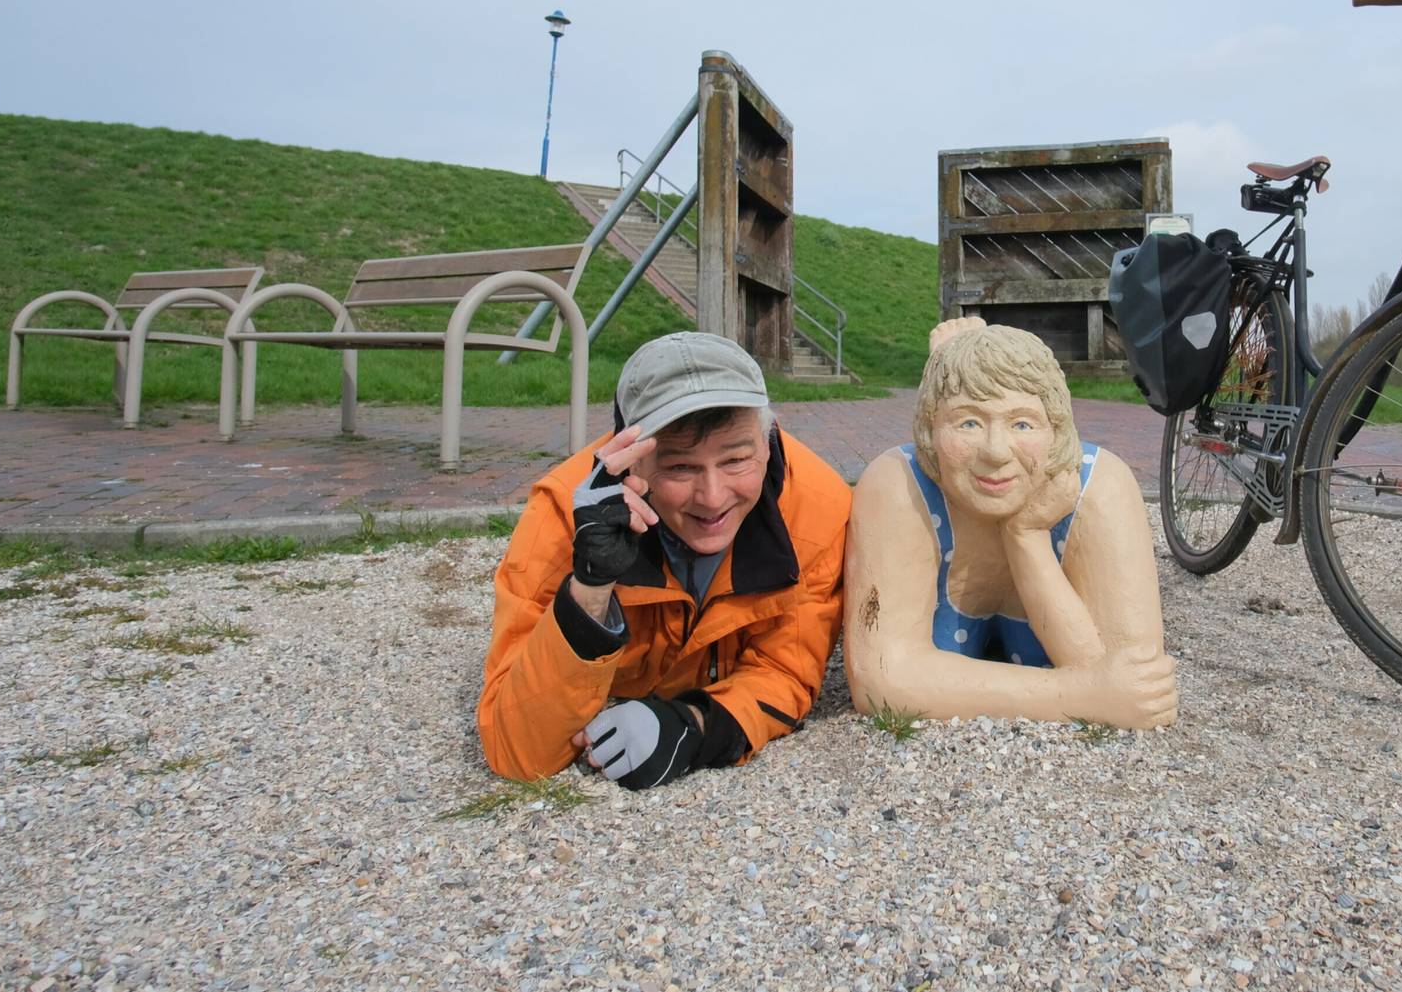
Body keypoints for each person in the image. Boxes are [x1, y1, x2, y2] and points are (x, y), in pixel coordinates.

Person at [478, 331, 851, 788]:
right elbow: (516, 750)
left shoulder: (819, 508)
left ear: (768, 443)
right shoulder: (560, 517)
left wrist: (695, 725)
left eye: (735, 460)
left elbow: (785, 671)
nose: (712, 498)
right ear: (631, 462)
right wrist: (590, 589)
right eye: (680, 468)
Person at [844, 318, 1178, 728]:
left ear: (1056, 430)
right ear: (930, 431)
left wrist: (1028, 537)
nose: (996, 451)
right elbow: (881, 679)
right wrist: (1082, 696)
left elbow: (1132, 677)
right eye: (968, 422)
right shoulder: (897, 483)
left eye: (1022, 423)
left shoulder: (1100, 486)